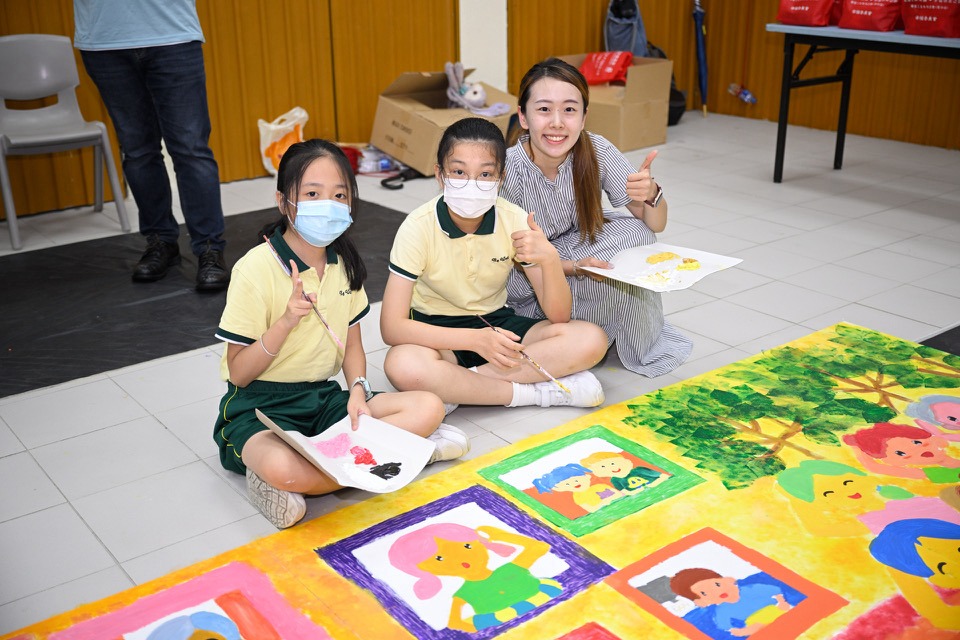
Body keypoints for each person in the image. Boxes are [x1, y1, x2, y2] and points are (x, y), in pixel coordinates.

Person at [211, 139, 468, 529]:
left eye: (339, 194)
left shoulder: (344, 263)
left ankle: (317, 475)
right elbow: (239, 374)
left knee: (428, 407)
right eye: (312, 194)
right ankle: (389, 458)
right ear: (284, 202)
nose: (327, 205)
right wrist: (285, 322)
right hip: (259, 409)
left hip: (322, 399)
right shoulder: (255, 268)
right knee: (282, 464)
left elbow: (352, 345)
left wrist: (360, 392)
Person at [380, 117, 609, 412]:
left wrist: (550, 259)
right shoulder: (417, 227)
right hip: (437, 334)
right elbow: (392, 327)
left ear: (500, 179)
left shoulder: (515, 219)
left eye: (485, 174)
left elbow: (559, 315)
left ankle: (460, 387)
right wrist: (475, 340)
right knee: (403, 365)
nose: (471, 183)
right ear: (440, 175)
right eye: (459, 172)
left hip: (497, 325)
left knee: (590, 339)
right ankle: (537, 393)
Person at [501, 57, 692, 376]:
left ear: (584, 116)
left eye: (570, 109)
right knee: (608, 266)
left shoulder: (595, 149)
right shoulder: (509, 171)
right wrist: (575, 267)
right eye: (544, 109)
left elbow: (656, 224)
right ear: (523, 116)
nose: (558, 123)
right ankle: (584, 328)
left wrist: (652, 192)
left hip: (575, 248)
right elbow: (514, 261)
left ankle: (609, 326)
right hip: (531, 275)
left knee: (638, 235)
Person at [73, 0, 230, 290]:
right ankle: (160, 241)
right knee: (137, 151)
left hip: (172, 34)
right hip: (104, 40)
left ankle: (209, 248)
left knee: (191, 149)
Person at [388, 522, 563, 632]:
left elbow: (539, 547)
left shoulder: (510, 570)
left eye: (466, 546)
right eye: (439, 559)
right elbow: (455, 623)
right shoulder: (463, 594)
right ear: (423, 570)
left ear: (480, 543)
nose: (462, 558)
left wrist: (502, 536)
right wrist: (491, 624)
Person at [669, 568, 794, 637]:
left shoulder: (752, 589)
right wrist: (740, 632)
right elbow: (727, 627)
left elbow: (776, 592)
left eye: (717, 584)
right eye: (705, 593)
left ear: (729, 580)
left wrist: (781, 602)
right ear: (702, 602)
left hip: (777, 610)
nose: (716, 591)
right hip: (755, 623)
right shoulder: (722, 611)